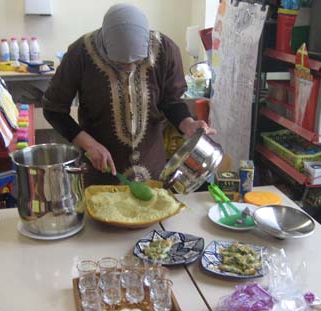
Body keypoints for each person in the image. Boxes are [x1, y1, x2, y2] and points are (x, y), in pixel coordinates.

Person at [43, 3, 215, 186]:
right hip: (101, 171)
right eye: (120, 64)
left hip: (153, 170)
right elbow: (53, 109)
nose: (130, 69)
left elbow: (171, 101)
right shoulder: (80, 54)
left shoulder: (165, 50)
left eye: (138, 61)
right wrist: (89, 144)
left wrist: (187, 123)